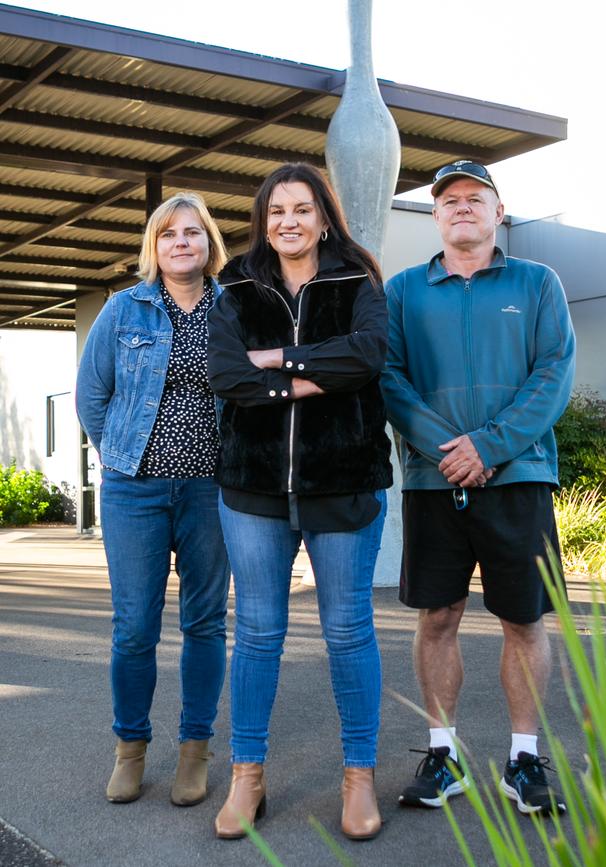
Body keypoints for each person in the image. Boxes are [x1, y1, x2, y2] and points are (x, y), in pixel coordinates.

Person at [381, 160, 576, 816]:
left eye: (475, 198)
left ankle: (524, 760)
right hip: (434, 483)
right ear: (435, 216)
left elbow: (553, 373)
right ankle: (445, 754)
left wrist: (488, 446)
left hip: (517, 477)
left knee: (524, 619)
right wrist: (452, 451)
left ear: (498, 212)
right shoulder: (405, 291)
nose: (462, 207)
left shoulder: (537, 282)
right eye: (449, 201)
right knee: (438, 616)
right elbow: (390, 378)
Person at [207, 162, 393, 841]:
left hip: (343, 479)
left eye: (302, 208)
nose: (289, 220)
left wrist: (276, 360)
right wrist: (311, 373)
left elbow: (367, 355)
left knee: (348, 630)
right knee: (256, 632)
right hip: (252, 484)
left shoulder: (357, 278)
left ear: (323, 216)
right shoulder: (234, 286)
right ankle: (247, 777)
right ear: (262, 219)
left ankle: (359, 776)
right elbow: (224, 372)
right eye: (276, 209)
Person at [76, 191, 230, 807]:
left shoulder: (236, 308)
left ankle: (195, 748)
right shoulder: (122, 310)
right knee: (135, 627)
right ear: (154, 247)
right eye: (169, 235)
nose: (182, 242)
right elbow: (93, 396)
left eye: (192, 232)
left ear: (209, 242)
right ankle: (131, 750)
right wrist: (117, 456)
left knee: (205, 622)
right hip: (133, 490)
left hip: (211, 489)